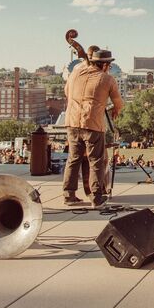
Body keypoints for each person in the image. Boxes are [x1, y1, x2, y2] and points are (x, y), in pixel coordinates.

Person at [63, 49, 123, 207]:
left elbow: (66, 92)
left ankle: (68, 195)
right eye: (109, 64)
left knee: (73, 158)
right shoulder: (107, 79)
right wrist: (115, 109)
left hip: (72, 121)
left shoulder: (75, 73)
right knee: (95, 160)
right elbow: (118, 102)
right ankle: (96, 198)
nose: (109, 67)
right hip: (92, 123)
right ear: (104, 65)